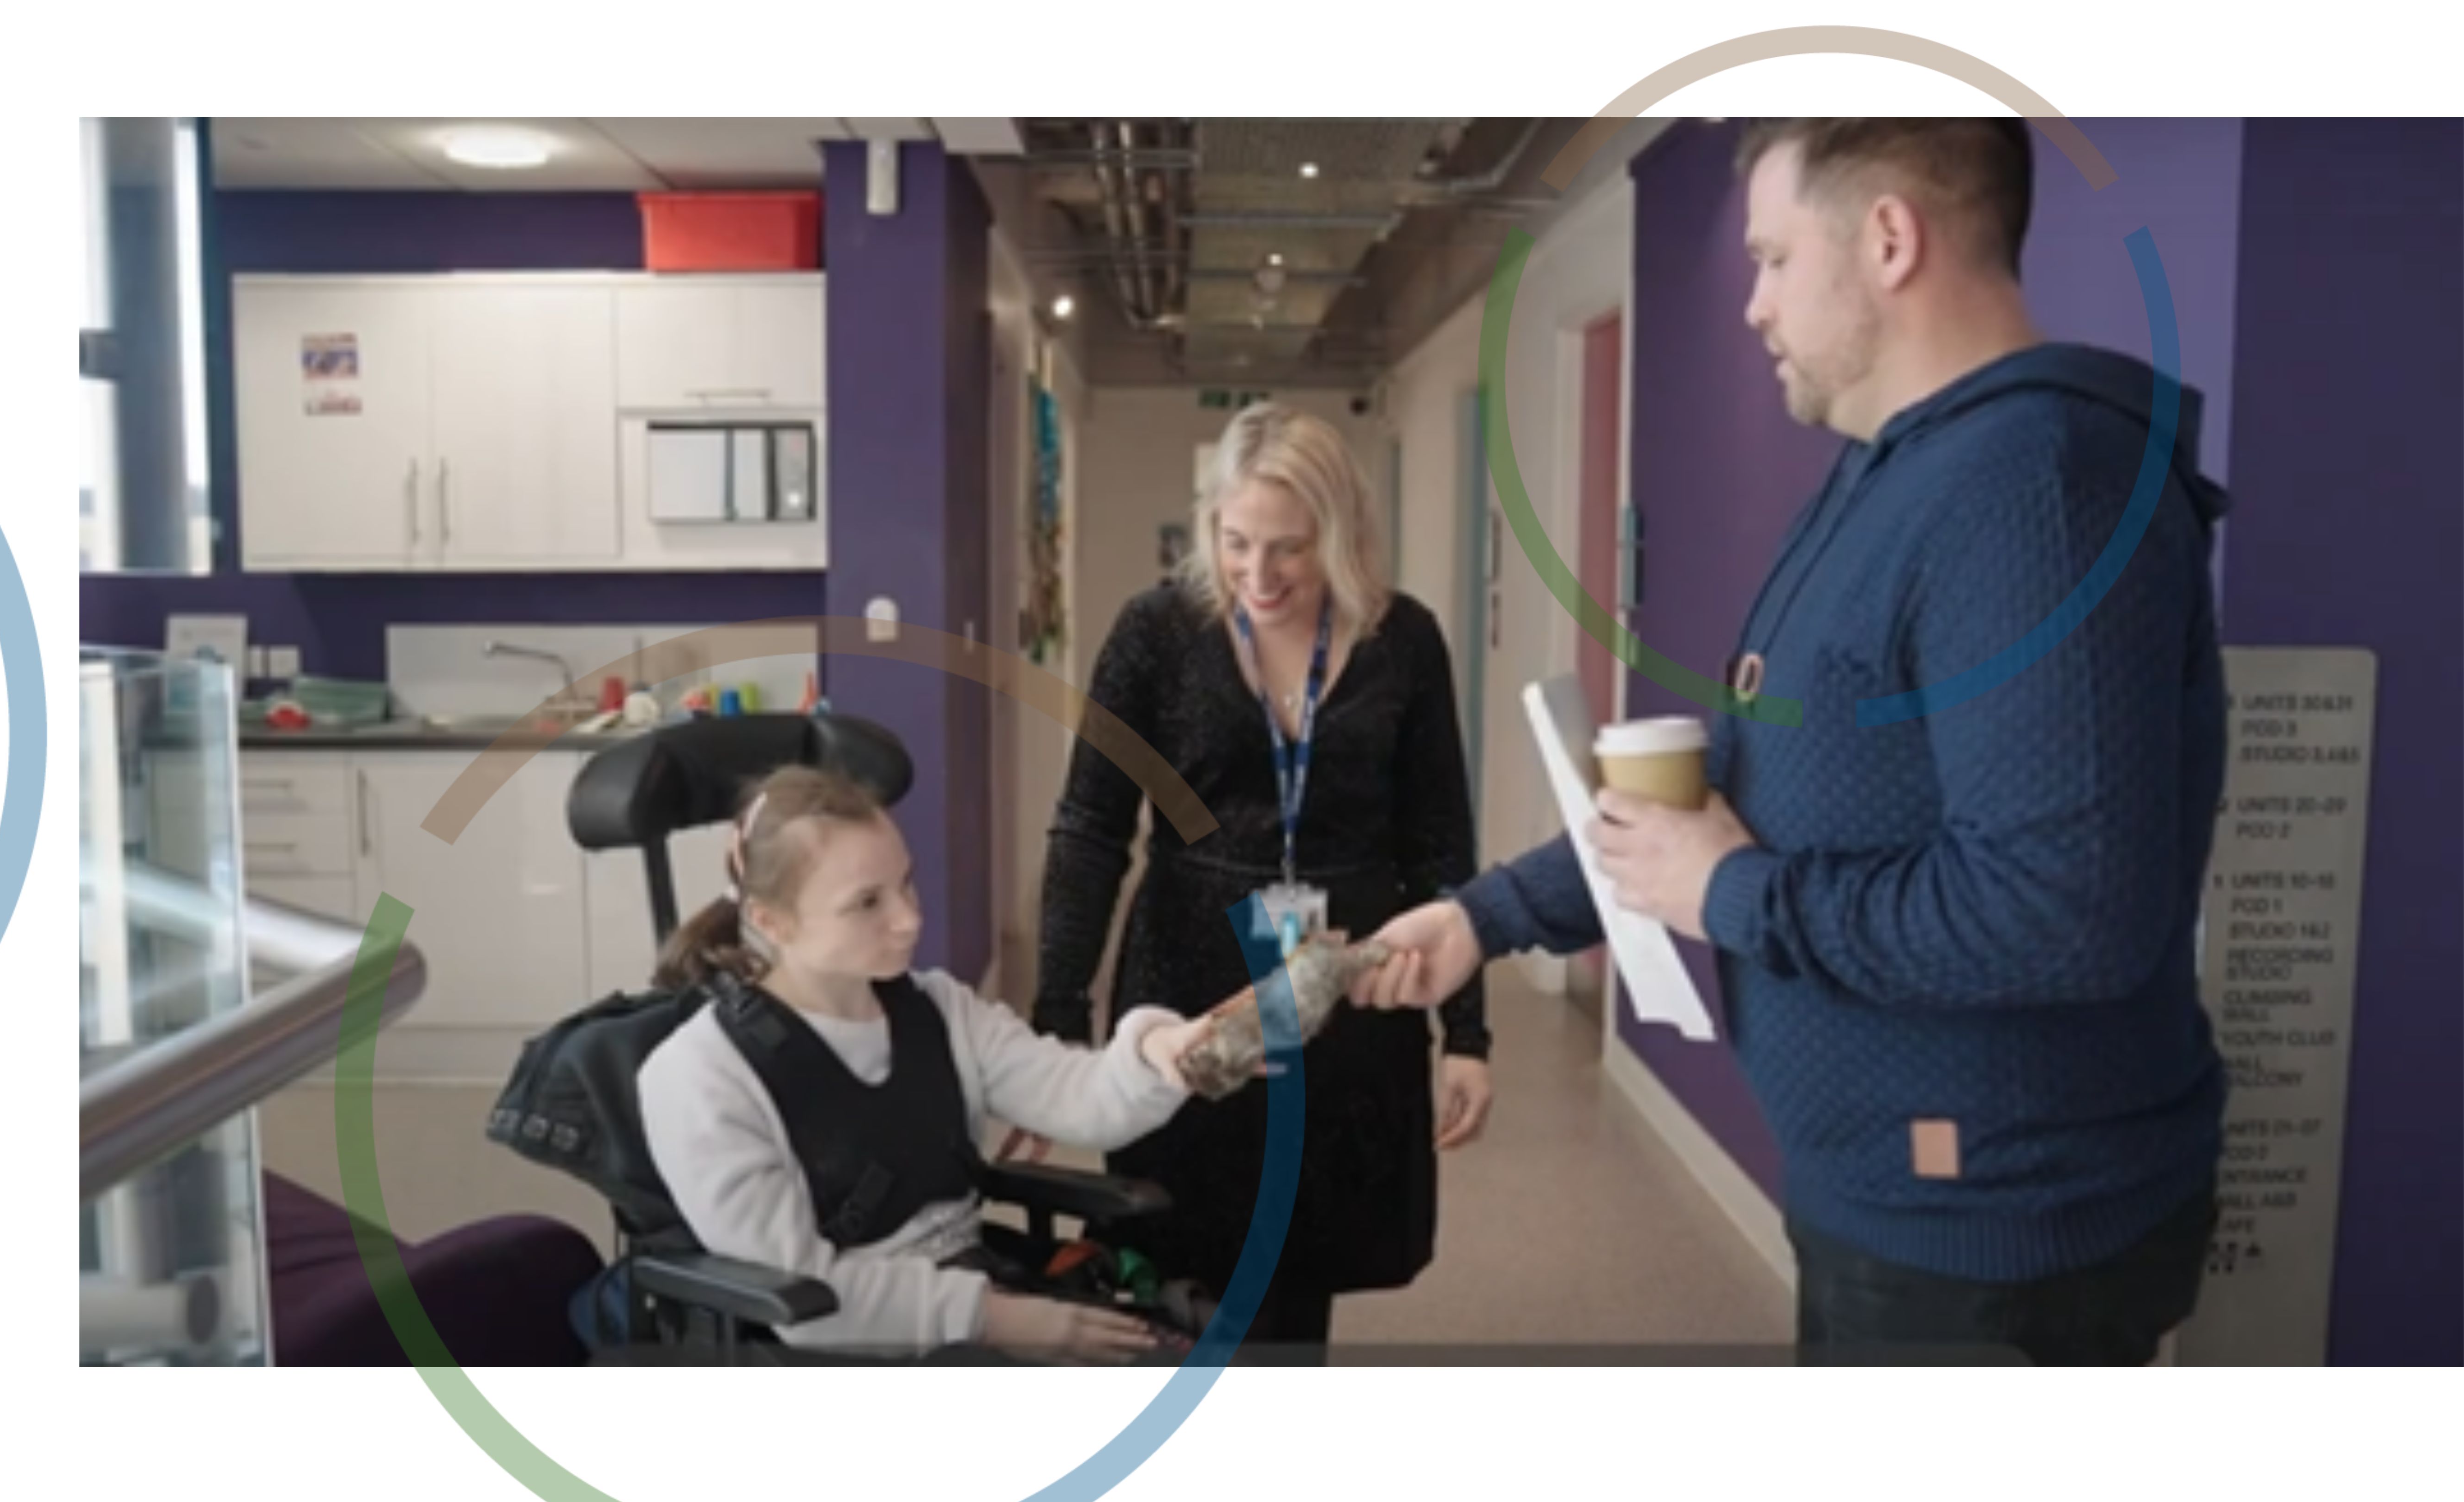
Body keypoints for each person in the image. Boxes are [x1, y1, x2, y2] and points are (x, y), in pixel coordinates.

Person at [1353, 118, 2230, 1365]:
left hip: (1997, 1247)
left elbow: (2062, 911)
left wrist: (1735, 895)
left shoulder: (2036, 487)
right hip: (1894, 1207)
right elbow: (1766, 779)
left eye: (1771, 259)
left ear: (1888, 240)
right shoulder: (1894, 474)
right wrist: (1487, 917)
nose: (1753, 305)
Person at [1035, 402, 1490, 1355]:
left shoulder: (1403, 640)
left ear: (1343, 532)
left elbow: (1441, 847)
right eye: (1235, 542)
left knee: (1305, 1261)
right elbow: (1089, 830)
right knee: (1176, 1254)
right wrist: (1056, 1022)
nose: (1259, 575)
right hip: (1188, 983)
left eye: (1290, 548)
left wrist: (1469, 1034)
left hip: (1352, 986)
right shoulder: (1156, 632)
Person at [635, 764, 1226, 1364]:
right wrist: (1002, 1320)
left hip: (976, 1296)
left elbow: (1080, 1095)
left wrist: (1158, 1054)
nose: (910, 919)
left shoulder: (939, 1010)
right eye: (867, 903)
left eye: (907, 884)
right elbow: (805, 1299)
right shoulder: (701, 1076)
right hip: (854, 1346)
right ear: (771, 922)